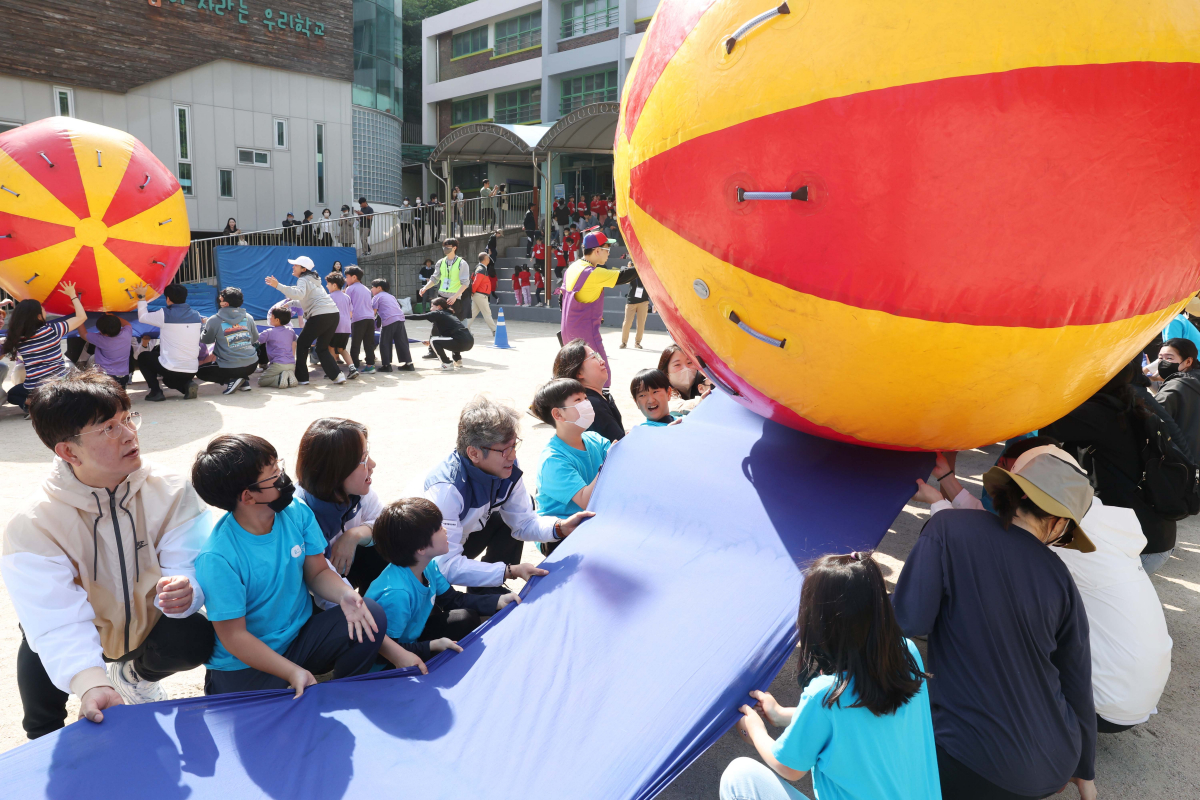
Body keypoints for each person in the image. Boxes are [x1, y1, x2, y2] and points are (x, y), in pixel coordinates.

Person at [2, 371, 215, 738]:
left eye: (127, 418)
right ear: (68, 451)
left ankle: (135, 677)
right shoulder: (33, 524)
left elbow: (187, 559)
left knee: (194, 636)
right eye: (108, 428)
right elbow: (57, 620)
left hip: (146, 624)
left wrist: (187, 587)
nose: (130, 434)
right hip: (76, 632)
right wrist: (89, 682)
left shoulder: (171, 489)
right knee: (43, 721)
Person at [916, 438, 1173, 738]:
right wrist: (947, 480)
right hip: (1129, 698)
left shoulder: (1064, 543)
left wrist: (939, 505)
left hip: (1097, 703)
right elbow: (994, 527)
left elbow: (979, 547)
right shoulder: (1087, 521)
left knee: (982, 602)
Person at [894, 445, 1098, 800]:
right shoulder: (1060, 577)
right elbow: (1077, 678)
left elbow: (907, 619)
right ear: (1059, 524)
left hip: (968, 760)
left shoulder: (948, 529)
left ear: (1011, 492)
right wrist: (1085, 771)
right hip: (1054, 765)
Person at [191, 434, 413, 695]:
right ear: (248, 497)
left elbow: (317, 571)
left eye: (279, 465)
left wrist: (344, 595)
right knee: (263, 724)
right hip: (244, 663)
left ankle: (343, 692)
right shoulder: (218, 558)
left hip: (299, 637)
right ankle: (290, 679)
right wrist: (289, 671)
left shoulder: (296, 511)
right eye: (274, 473)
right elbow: (234, 637)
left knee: (369, 613)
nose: (284, 477)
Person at [722, 553, 939, 800]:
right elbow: (853, 718)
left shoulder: (824, 693)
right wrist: (782, 715)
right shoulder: (905, 653)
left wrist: (755, 731)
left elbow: (789, 768)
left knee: (738, 776)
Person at [421, 395, 585, 588]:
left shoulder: (506, 468)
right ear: (474, 453)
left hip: (463, 536)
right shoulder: (447, 490)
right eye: (504, 450)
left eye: (514, 446)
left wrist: (561, 527)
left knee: (503, 519)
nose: (513, 456)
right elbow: (445, 566)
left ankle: (486, 591)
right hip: (427, 558)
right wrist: (508, 571)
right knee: (461, 615)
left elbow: (523, 522)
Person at [1042, 362, 1177, 574]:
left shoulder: (1096, 412)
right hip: (1155, 537)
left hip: (1134, 546)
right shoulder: (1129, 404)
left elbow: (1042, 424)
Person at [366, 498, 521, 662]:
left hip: (411, 637)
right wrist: (431, 646)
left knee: (464, 618)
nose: (445, 530)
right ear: (421, 548)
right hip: (388, 659)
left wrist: (498, 600)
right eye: (439, 528)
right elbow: (382, 653)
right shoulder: (397, 594)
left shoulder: (427, 565)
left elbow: (454, 600)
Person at [294, 418, 389, 596]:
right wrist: (357, 608)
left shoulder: (357, 492)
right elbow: (319, 583)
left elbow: (385, 523)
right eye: (363, 460)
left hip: (341, 575)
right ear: (335, 471)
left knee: (389, 547)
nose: (372, 464)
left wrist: (354, 535)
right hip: (315, 596)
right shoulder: (301, 513)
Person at [530, 379, 611, 554]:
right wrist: (611, 459)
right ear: (558, 415)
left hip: (592, 521)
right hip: (560, 533)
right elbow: (585, 500)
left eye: (585, 398)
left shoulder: (594, 439)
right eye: (578, 401)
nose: (587, 404)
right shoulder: (553, 460)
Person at [560, 230, 637, 387]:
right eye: (607, 250)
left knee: (574, 374)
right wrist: (644, 265)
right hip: (586, 333)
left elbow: (561, 298)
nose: (609, 253)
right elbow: (623, 276)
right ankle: (603, 405)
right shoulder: (591, 272)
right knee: (602, 373)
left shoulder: (573, 267)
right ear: (597, 251)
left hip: (567, 332)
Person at [265, 255, 346, 385]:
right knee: (321, 347)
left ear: (303, 269)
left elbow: (300, 294)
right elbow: (306, 299)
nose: (293, 267)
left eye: (296, 265)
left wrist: (278, 285)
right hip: (333, 314)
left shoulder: (303, 279)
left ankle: (302, 378)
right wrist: (289, 304)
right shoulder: (313, 280)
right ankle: (337, 375)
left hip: (320, 315)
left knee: (302, 344)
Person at [3, 288, 87, 412]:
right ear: (38, 316)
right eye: (42, 309)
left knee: (12, 394)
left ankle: (34, 404)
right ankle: (50, 402)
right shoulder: (52, 330)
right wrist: (73, 296)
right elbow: (81, 316)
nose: (45, 310)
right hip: (59, 383)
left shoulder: (16, 338)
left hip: (34, 387)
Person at [136, 283, 202, 402]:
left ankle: (156, 392)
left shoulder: (164, 314)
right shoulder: (196, 315)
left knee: (144, 356)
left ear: (168, 299)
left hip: (172, 368)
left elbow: (142, 317)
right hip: (192, 369)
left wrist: (141, 296)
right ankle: (187, 386)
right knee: (168, 380)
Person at [552, 338, 625, 441]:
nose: (602, 361)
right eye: (594, 357)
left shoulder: (598, 397)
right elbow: (619, 446)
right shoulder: (591, 404)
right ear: (579, 373)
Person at [197, 287, 260, 395]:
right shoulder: (249, 317)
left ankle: (232, 380)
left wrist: (205, 326)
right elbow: (255, 339)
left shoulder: (214, 320)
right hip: (252, 365)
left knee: (200, 372)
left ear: (225, 304)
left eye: (220, 299)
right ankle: (242, 381)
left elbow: (206, 340)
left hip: (230, 367)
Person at [1155, 337, 1200, 462]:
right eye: (1160, 358)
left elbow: (1154, 418)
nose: (1163, 362)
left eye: (1169, 358)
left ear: (1188, 362)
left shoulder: (1175, 386)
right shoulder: (1194, 380)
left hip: (1182, 461)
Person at [409, 297, 473, 370]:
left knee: (434, 340)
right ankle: (457, 360)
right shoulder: (449, 314)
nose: (430, 309)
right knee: (452, 337)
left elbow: (419, 316)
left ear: (439, 307)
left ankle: (446, 363)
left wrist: (402, 316)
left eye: (432, 306)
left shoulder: (438, 313)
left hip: (461, 342)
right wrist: (430, 342)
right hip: (469, 341)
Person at [370, 278, 413, 372]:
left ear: (379, 288)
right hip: (400, 319)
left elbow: (373, 313)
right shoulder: (391, 296)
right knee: (402, 342)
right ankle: (409, 364)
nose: (371, 289)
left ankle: (386, 365)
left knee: (384, 343)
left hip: (389, 321)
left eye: (372, 287)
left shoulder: (377, 297)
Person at [421, 238, 470, 319]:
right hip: (441, 297)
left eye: (448, 247)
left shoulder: (462, 263)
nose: (445, 249)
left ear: (454, 248)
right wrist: (425, 288)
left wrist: (455, 296)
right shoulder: (440, 262)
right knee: (438, 324)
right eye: (444, 246)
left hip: (454, 299)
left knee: (453, 324)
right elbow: (434, 279)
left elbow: (465, 283)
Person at [81, 313, 134, 387]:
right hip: (123, 375)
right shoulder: (127, 333)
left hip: (106, 376)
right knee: (120, 397)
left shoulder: (101, 339)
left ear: (104, 333)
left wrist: (80, 318)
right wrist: (113, 316)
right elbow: (127, 324)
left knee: (106, 397)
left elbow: (83, 334)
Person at [659, 343, 713, 411]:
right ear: (665, 372)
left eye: (689, 363)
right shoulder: (662, 392)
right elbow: (672, 406)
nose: (686, 368)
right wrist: (700, 401)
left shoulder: (702, 382)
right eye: (677, 365)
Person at [343, 266, 377, 374]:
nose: (345, 279)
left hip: (358, 319)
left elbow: (347, 304)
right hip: (370, 319)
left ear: (354, 277)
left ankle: (355, 366)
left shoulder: (350, 288)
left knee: (356, 343)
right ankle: (370, 366)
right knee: (369, 343)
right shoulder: (366, 289)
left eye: (347, 277)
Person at [325, 271, 357, 379]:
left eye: (328, 284)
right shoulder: (346, 297)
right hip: (346, 327)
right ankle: (352, 368)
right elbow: (351, 313)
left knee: (330, 347)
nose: (326, 286)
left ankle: (334, 370)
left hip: (335, 327)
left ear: (334, 285)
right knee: (341, 349)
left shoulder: (329, 297)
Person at [257, 307, 299, 389]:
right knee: (276, 373)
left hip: (278, 364)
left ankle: (280, 379)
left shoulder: (269, 332)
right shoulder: (291, 331)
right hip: (291, 364)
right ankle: (288, 376)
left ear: (277, 320)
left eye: (271, 316)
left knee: (262, 380)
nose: (269, 318)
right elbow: (295, 340)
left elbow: (257, 339)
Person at [468, 252, 497, 334]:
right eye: (488, 258)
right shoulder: (481, 269)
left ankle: (463, 328)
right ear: (485, 259)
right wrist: (473, 291)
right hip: (480, 294)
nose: (489, 259)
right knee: (487, 313)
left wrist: (473, 292)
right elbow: (476, 282)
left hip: (478, 294)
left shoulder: (479, 268)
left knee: (472, 314)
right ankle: (495, 330)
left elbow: (474, 280)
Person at [620, 268, 650, 349]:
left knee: (641, 323)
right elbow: (626, 281)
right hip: (631, 301)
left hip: (643, 301)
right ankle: (624, 342)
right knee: (627, 322)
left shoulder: (648, 272)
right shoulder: (633, 271)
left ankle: (637, 342)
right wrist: (628, 269)